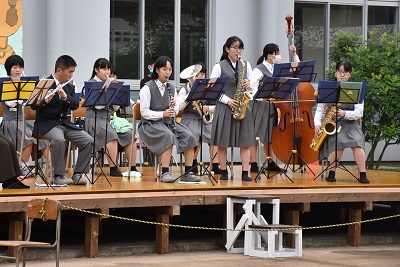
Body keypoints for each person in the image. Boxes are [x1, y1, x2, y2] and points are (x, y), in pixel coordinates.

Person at [138, 56, 201, 183]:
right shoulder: (147, 88)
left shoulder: (171, 88)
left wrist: (174, 107)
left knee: (189, 135)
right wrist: (163, 114)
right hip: (150, 124)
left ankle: (188, 172)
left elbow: (176, 110)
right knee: (168, 135)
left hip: (167, 122)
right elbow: (144, 112)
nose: (168, 72)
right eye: (164, 69)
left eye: (170, 70)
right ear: (157, 70)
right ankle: (165, 172)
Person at [33, 55, 93, 185]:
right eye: (70, 72)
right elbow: (33, 105)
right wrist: (44, 100)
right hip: (46, 124)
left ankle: (78, 174)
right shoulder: (45, 82)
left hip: (63, 123)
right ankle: (59, 176)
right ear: (60, 70)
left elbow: (75, 105)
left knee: (88, 141)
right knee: (58, 139)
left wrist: (64, 96)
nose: (71, 75)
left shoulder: (69, 86)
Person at [314, 60, 370, 184]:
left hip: (351, 124)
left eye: (345, 72)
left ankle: (362, 173)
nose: (342, 75)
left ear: (350, 74)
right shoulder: (327, 89)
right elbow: (320, 109)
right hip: (334, 124)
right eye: (340, 72)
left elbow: (359, 112)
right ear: (336, 73)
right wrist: (317, 123)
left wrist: (345, 114)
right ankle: (332, 173)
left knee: (357, 143)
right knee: (337, 142)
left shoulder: (356, 90)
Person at [209, 36, 256, 181]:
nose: (238, 50)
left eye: (240, 48)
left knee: (246, 141)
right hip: (225, 107)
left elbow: (253, 88)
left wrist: (249, 84)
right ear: (227, 49)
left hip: (242, 106)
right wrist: (228, 100)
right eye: (235, 47)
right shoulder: (219, 66)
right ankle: (223, 171)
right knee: (222, 142)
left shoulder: (246, 65)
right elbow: (212, 89)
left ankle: (245, 172)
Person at [249, 43, 300, 173]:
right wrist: (261, 97)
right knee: (255, 135)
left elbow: (296, 70)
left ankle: (270, 161)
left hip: (272, 106)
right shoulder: (259, 69)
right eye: (277, 53)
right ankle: (253, 163)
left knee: (269, 135)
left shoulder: (276, 68)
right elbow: (251, 87)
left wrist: (294, 54)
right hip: (260, 105)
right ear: (269, 55)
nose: (278, 56)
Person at [85, 58, 138, 177]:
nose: (107, 72)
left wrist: (116, 96)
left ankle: (133, 168)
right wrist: (109, 91)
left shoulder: (109, 83)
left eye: (108, 69)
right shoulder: (91, 84)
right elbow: (97, 107)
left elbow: (113, 109)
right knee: (111, 136)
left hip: (108, 120)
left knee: (130, 135)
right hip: (95, 120)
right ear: (96, 70)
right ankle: (113, 169)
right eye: (103, 69)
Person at [1, 55, 49, 175]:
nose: (18, 70)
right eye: (15, 67)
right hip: (11, 121)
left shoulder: (27, 82)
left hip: (24, 120)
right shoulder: (4, 84)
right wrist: (24, 93)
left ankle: (54, 167)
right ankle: (23, 167)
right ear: (8, 69)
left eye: (20, 67)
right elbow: (11, 104)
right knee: (27, 134)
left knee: (40, 132)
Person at [177, 62, 221, 174]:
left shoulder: (209, 89)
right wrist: (191, 94)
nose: (200, 77)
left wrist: (209, 108)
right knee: (195, 135)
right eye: (197, 75)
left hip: (203, 117)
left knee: (213, 134)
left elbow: (216, 106)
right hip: (189, 117)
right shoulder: (184, 89)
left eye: (202, 74)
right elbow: (179, 106)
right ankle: (192, 163)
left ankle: (215, 165)